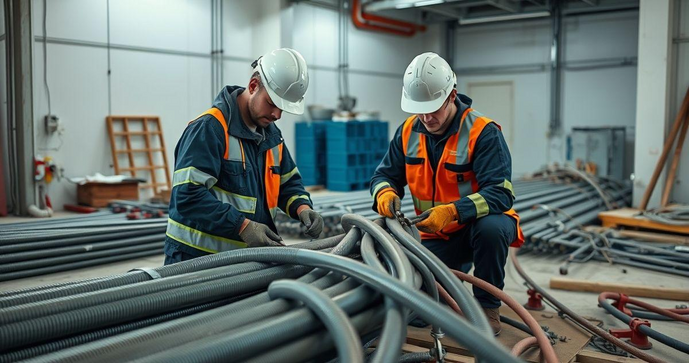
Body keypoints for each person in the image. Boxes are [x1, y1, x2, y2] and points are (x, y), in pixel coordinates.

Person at [370, 52, 524, 335]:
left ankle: (488, 306)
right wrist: (384, 193)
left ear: (452, 96)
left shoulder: (483, 132)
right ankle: (447, 289)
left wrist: (454, 211)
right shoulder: (407, 132)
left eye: (434, 108)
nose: (427, 117)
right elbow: (384, 175)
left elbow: (501, 194)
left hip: (475, 230)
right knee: (420, 314)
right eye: (420, 109)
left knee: (493, 227)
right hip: (434, 236)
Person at [164, 48, 323, 265]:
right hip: (195, 260)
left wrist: (303, 208)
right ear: (253, 86)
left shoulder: (272, 136)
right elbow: (187, 196)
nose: (277, 115)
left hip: (242, 262)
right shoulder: (210, 129)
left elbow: (287, 183)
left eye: (282, 109)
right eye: (272, 103)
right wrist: (242, 225)